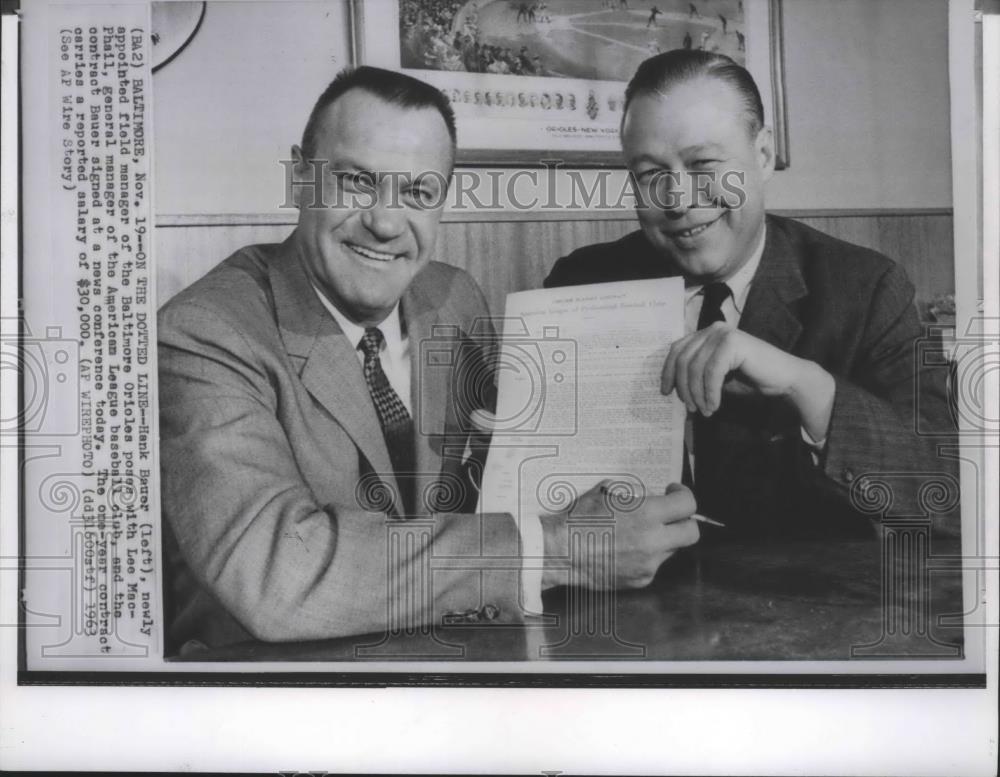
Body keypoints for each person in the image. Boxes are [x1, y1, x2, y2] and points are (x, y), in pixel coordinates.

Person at [158, 66, 699, 653]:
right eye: (357, 182)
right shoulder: (205, 331)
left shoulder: (453, 298)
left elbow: (509, 484)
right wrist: (562, 547)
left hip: (441, 660)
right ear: (298, 180)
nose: (386, 224)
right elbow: (276, 576)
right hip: (268, 691)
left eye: (417, 193)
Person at [544, 50, 956, 539]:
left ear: (761, 157)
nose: (678, 200)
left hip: (810, 606)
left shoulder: (865, 289)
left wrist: (806, 385)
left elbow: (947, 498)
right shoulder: (582, 285)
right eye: (651, 174)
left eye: (704, 164)